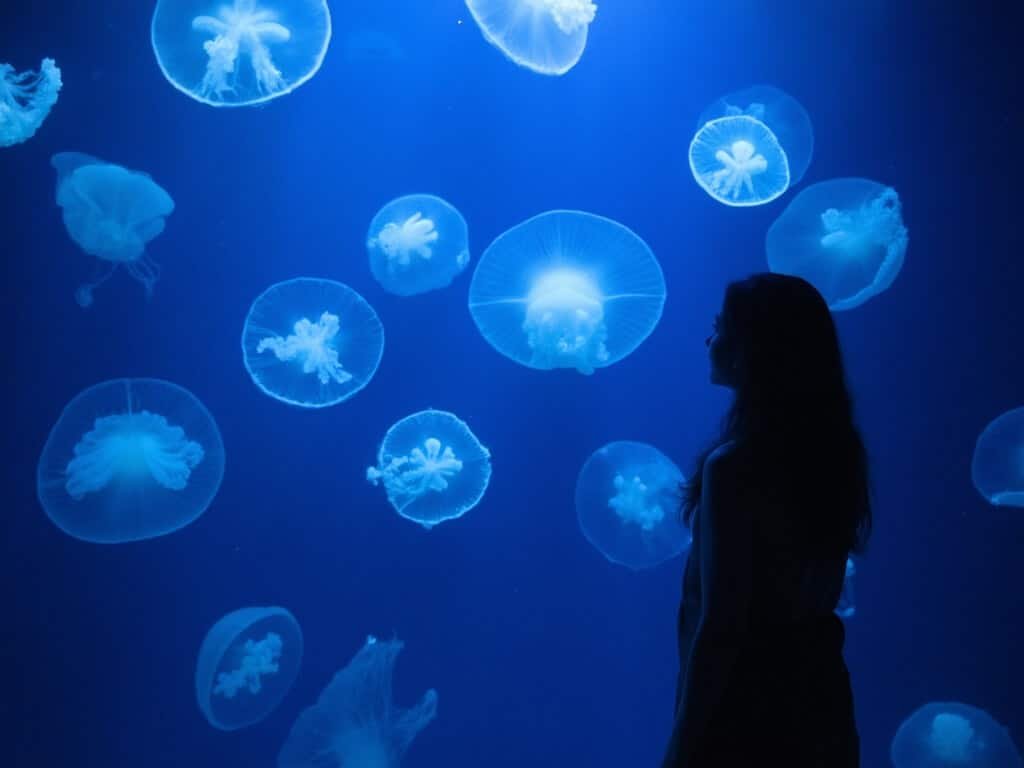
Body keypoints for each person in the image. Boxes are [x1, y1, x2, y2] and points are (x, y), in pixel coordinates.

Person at [663, 273, 870, 767]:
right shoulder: (838, 453)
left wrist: (683, 745)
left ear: (753, 349)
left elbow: (722, 623)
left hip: (745, 716)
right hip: (821, 705)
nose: (708, 340)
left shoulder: (734, 467)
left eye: (720, 328)